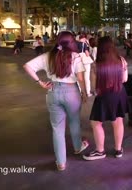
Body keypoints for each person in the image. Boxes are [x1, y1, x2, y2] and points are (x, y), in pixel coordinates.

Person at [23, 31, 90, 171]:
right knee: (74, 121)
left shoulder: (48, 56)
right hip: (72, 92)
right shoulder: (75, 56)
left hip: (53, 91)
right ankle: (78, 147)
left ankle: (61, 163)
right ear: (72, 42)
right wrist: (84, 93)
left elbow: (27, 66)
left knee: (57, 129)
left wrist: (40, 82)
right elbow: (81, 78)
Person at [83, 37, 128, 160]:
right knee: (118, 121)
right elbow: (125, 79)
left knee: (96, 122)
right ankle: (118, 149)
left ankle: (100, 151)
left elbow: (94, 86)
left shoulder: (96, 65)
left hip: (104, 95)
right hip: (119, 93)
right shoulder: (122, 61)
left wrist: (92, 91)